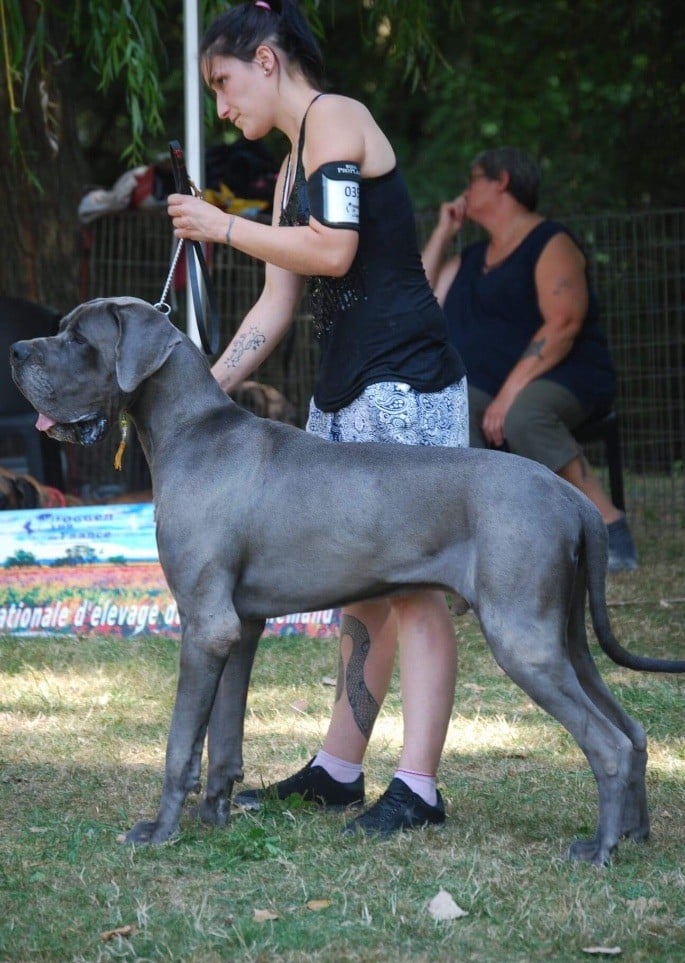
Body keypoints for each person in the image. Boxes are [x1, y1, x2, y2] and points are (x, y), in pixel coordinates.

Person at [167, 0, 469, 835]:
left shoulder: (337, 117)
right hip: (343, 389)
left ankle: (419, 787)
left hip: (404, 381)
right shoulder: (293, 164)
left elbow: (332, 249)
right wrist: (201, 389)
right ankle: (339, 770)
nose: (223, 108)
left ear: (266, 60)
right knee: (358, 589)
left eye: (223, 84)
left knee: (411, 585)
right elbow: (275, 303)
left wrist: (222, 227)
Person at [421, 146, 638, 573]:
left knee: (525, 415)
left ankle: (609, 529)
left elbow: (564, 322)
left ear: (500, 181)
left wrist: (507, 396)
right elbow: (418, 302)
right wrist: (443, 234)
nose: (465, 190)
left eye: (473, 179)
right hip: (488, 384)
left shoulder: (549, 242)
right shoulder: (468, 259)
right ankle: (486, 545)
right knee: (450, 411)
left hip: (564, 376)